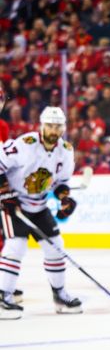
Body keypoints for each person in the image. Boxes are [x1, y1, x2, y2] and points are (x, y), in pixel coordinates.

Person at [0, 106, 81, 319]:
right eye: (50, 125)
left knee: (56, 248)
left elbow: (60, 183)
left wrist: (64, 199)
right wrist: (4, 194)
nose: (54, 130)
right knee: (15, 246)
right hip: (13, 204)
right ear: (42, 126)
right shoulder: (24, 145)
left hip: (39, 205)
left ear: (63, 128)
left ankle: (60, 295)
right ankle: (3, 297)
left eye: (58, 126)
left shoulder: (66, 150)